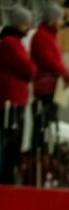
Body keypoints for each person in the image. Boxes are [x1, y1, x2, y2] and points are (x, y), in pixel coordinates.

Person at [31, 3, 69, 155]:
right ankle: (42, 153)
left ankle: (47, 151)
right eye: (60, 19)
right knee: (45, 122)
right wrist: (65, 72)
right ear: (53, 19)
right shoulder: (42, 36)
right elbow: (49, 60)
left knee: (51, 121)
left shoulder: (51, 35)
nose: (62, 23)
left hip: (52, 86)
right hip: (45, 87)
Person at [0, 5, 36, 184]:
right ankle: (6, 179)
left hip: (13, 98)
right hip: (12, 100)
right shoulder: (11, 43)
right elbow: (28, 68)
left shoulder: (10, 41)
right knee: (11, 143)